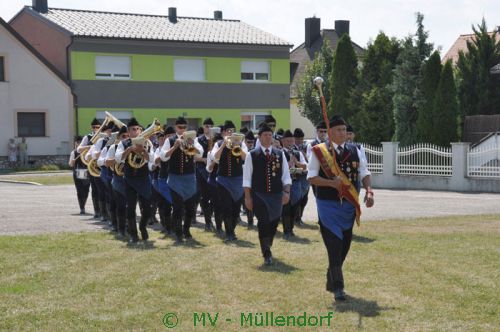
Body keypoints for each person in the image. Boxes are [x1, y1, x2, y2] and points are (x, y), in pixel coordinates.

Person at [307, 115, 374, 302]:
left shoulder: (356, 150)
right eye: (338, 130)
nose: (343, 133)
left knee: (344, 247)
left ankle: (332, 276)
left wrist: (369, 191)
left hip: (348, 207)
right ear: (330, 132)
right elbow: (311, 178)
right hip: (327, 206)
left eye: (344, 130)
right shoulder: (319, 151)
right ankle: (338, 287)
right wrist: (331, 183)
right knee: (334, 246)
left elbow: (364, 173)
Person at [243, 124, 292, 265]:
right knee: (263, 222)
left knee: (274, 224)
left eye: (270, 135)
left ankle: (267, 244)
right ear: (259, 137)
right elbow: (247, 178)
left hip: (276, 195)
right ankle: (266, 253)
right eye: (265, 135)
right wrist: (247, 197)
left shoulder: (279, 153)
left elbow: (286, 176)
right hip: (259, 195)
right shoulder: (252, 154)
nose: (268, 137)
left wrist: (287, 192)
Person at [159, 116, 203, 244]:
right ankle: (178, 233)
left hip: (189, 178)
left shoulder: (193, 140)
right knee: (178, 208)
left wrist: (191, 145)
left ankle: (186, 230)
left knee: (190, 208)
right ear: (176, 127)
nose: (182, 129)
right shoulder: (170, 140)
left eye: (184, 127)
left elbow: (200, 153)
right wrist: (174, 147)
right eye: (180, 127)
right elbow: (163, 157)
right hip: (175, 178)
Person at [115, 118, 154, 243]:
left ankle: (143, 227)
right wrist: (130, 149)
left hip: (144, 179)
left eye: (138, 129)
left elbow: (151, 159)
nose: (136, 131)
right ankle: (133, 234)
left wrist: (143, 150)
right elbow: (118, 159)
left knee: (147, 209)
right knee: (130, 208)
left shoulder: (147, 143)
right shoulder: (124, 143)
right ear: (128, 131)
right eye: (133, 129)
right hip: (129, 179)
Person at [212, 120, 248, 241]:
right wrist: (223, 144)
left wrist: (237, 146)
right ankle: (229, 233)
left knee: (236, 209)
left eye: (232, 131)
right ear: (223, 132)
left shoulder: (240, 143)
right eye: (228, 131)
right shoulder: (218, 143)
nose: (231, 133)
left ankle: (231, 230)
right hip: (223, 180)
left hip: (237, 180)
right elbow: (215, 157)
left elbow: (246, 158)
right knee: (226, 207)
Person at [280, 130, 307, 239]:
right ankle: (287, 231)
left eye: (292, 140)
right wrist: (289, 166)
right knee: (285, 207)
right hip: (284, 184)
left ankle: (290, 229)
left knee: (295, 207)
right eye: (288, 141)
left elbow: (304, 167)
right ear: (282, 141)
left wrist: (296, 163)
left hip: (296, 183)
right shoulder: (279, 152)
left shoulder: (297, 153)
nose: (290, 142)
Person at [77, 118, 102, 218]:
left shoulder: (103, 137)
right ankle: (97, 211)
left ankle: (104, 211)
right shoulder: (88, 137)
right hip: (92, 166)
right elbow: (79, 149)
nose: (95, 128)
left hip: (102, 164)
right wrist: (89, 147)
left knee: (103, 189)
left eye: (97, 127)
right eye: (94, 127)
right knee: (95, 189)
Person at [195, 117, 216, 231]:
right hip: (202, 170)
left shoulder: (216, 139)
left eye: (211, 126)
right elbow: (194, 158)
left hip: (214, 170)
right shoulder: (198, 139)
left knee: (214, 196)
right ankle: (208, 221)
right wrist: (203, 159)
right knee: (204, 196)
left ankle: (211, 217)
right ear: (203, 127)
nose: (209, 128)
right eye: (207, 126)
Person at [68, 136, 90, 214]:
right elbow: (70, 164)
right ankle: (82, 207)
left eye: (80, 142)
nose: (79, 144)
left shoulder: (87, 151)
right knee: (80, 191)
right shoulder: (73, 152)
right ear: (75, 143)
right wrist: (72, 162)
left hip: (86, 172)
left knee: (86, 191)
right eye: (77, 142)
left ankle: (83, 204)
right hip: (77, 173)